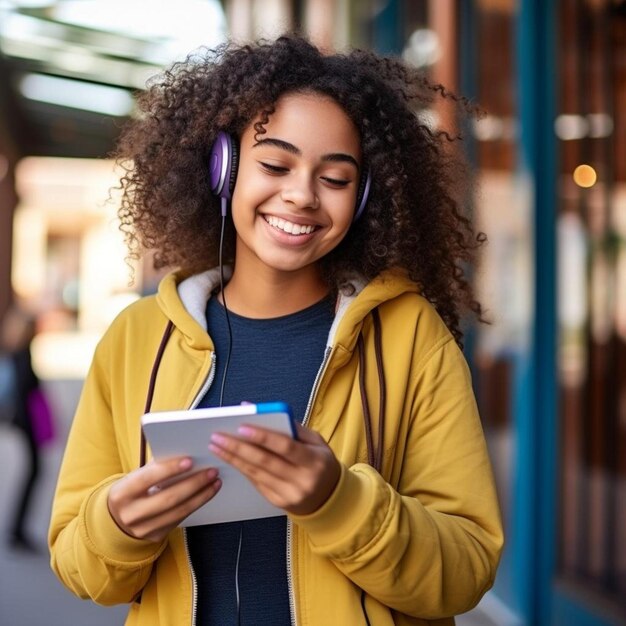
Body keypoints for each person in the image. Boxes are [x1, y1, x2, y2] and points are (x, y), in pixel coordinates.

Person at [49, 34, 503, 626]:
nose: (301, 195)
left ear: (365, 197)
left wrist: (338, 502)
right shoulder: (135, 338)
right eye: (274, 164)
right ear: (224, 167)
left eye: (335, 178)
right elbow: (79, 566)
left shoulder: (411, 337)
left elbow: (465, 570)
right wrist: (117, 524)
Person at [0, 304, 49, 552]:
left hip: (23, 423)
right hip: (26, 424)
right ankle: (16, 530)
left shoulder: (15, 351)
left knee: (32, 472)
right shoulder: (21, 354)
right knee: (33, 472)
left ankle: (17, 529)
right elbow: (23, 392)